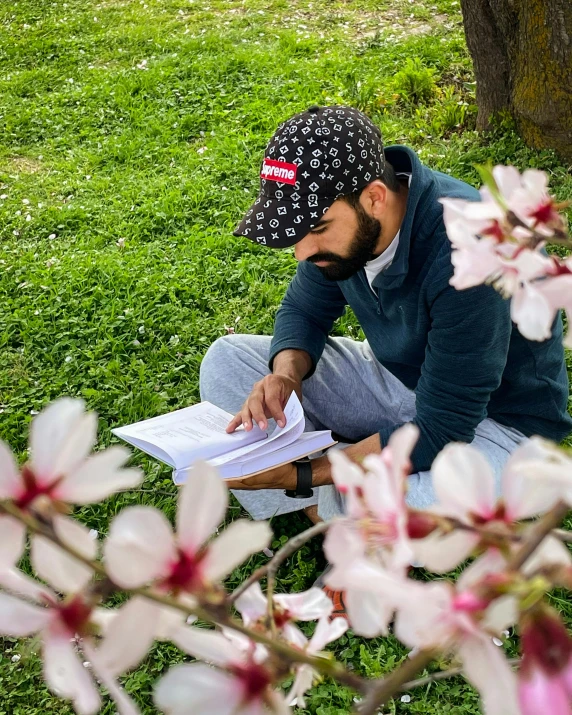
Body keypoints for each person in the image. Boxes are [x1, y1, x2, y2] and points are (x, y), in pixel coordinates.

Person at [199, 105, 572, 526]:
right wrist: (286, 376)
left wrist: (305, 473)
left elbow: (443, 427)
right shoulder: (349, 227)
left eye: (317, 228)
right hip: (401, 381)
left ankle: (319, 503)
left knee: (402, 508)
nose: (301, 252)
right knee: (226, 360)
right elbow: (304, 309)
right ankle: (330, 506)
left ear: (374, 197)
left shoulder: (472, 251)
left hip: (498, 425)